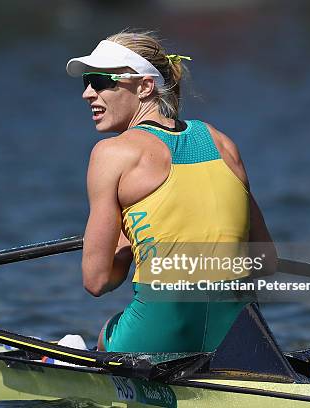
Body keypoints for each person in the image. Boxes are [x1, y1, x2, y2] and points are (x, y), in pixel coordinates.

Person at [66, 31, 276, 353]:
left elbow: (96, 281)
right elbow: (266, 259)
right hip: (240, 332)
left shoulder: (111, 154)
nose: (88, 93)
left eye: (102, 81)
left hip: (161, 329)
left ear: (145, 86)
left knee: (105, 336)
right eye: (87, 83)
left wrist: (127, 243)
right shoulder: (222, 142)